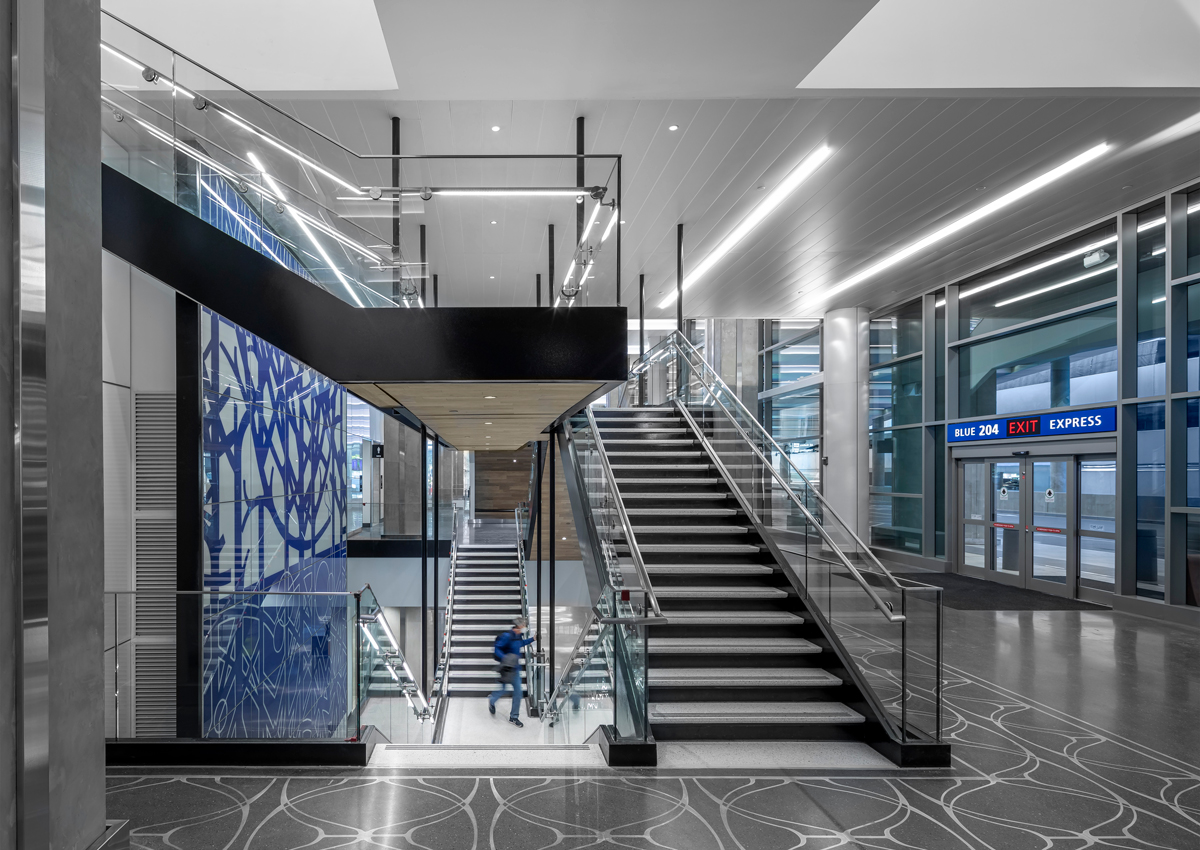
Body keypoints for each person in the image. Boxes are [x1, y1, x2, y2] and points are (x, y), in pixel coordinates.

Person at [489, 616, 536, 727]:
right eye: (524, 625)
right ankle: (492, 701)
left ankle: (514, 717)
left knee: (518, 693)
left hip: (516, 670)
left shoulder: (518, 636)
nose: (525, 627)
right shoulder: (507, 636)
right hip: (506, 669)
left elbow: (521, 644)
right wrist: (505, 658)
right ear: (519, 625)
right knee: (502, 690)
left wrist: (533, 639)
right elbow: (497, 648)